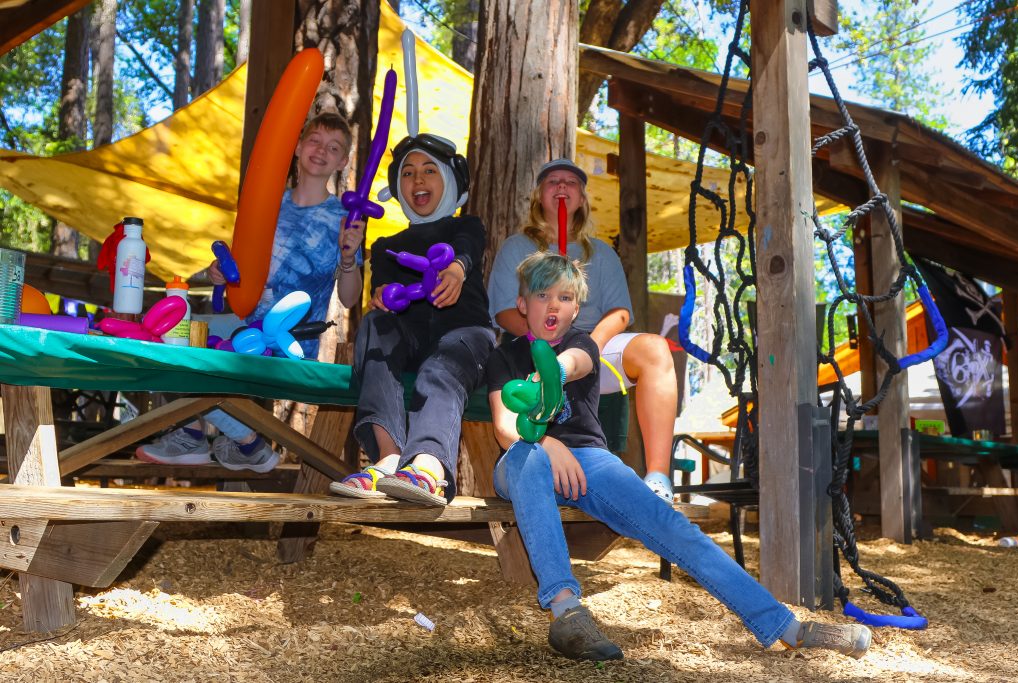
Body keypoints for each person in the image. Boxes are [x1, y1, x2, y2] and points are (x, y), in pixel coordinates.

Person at [486, 251, 872, 661]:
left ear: (577, 308)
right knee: (529, 458)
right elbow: (505, 426)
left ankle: (784, 625)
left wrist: (555, 371)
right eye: (542, 295)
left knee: (668, 523)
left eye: (564, 297)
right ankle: (566, 611)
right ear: (523, 305)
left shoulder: (582, 344)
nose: (553, 305)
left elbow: (577, 363)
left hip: (590, 463)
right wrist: (548, 444)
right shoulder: (505, 356)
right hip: (525, 458)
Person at [136, 112, 365, 472]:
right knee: (170, 329)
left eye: (333, 147)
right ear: (298, 146)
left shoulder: (342, 219)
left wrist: (349, 259)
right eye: (315, 141)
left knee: (192, 346)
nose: (322, 151)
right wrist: (221, 274)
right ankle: (201, 436)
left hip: (287, 342)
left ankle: (245, 442)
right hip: (243, 324)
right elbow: (241, 270)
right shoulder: (267, 202)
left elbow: (351, 298)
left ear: (343, 161)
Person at [487, 158, 678, 502]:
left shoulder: (601, 253)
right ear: (538, 196)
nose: (562, 187)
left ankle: (658, 477)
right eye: (552, 182)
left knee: (655, 349)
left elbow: (621, 313)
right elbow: (503, 312)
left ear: (583, 197)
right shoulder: (516, 248)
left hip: (594, 344)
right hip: (532, 349)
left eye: (571, 182)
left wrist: (585, 346)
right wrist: (546, 341)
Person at [330, 134, 494, 505]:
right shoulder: (387, 245)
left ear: (451, 180)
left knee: (440, 368)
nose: (418, 180)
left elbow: (468, 249)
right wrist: (381, 298)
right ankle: (388, 457)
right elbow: (387, 291)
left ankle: (428, 466)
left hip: (465, 339)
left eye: (429, 171)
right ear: (397, 186)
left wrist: (456, 268)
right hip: (410, 342)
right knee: (373, 324)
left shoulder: (466, 226)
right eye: (407, 173)